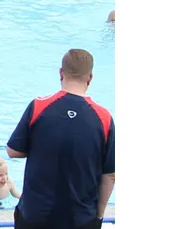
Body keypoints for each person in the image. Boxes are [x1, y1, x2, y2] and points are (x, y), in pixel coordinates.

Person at [6, 49, 114, 229]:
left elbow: (13, 150)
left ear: (61, 73)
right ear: (90, 78)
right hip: (80, 218)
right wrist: (99, 215)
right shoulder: (104, 118)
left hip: (35, 214)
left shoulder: (39, 106)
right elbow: (110, 175)